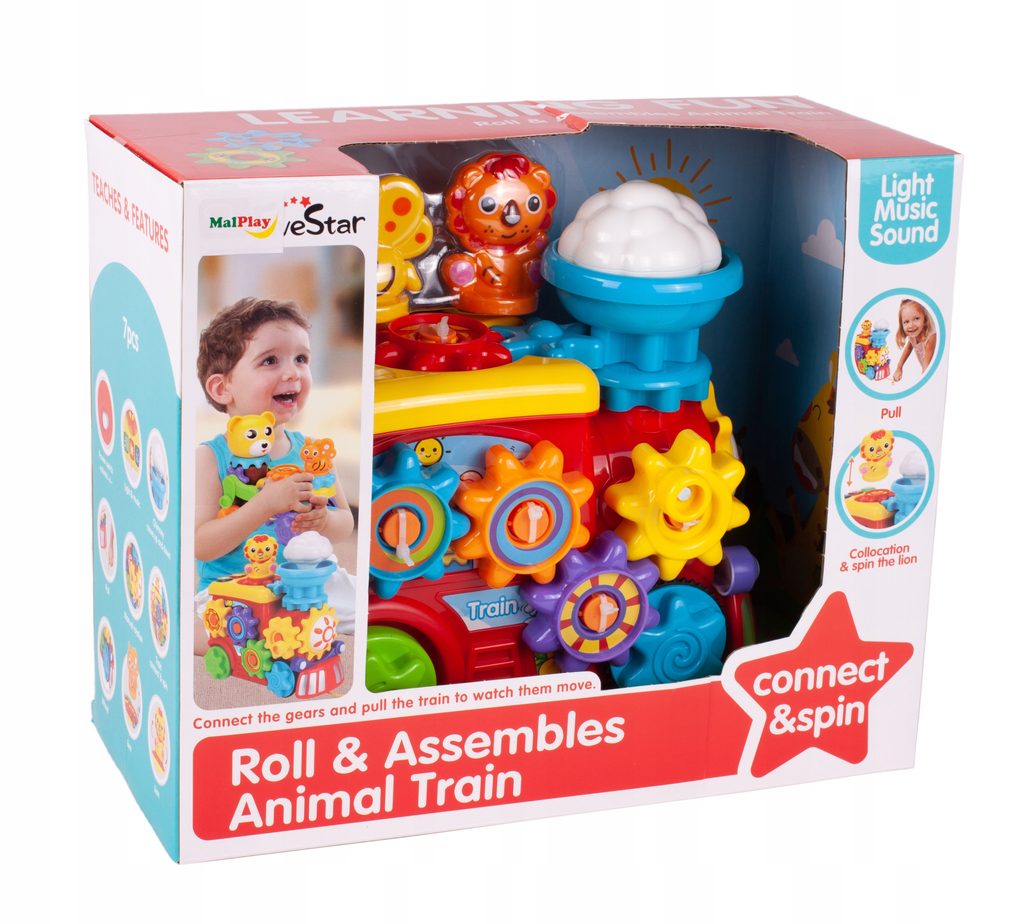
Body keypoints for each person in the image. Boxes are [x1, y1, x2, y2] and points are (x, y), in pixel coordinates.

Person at [194, 297, 354, 588]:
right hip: (233, 590)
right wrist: (265, 504)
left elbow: (345, 522)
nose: (293, 372)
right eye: (270, 360)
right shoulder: (209, 457)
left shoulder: (312, 451)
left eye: (301, 359)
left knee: (351, 594)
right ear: (222, 388)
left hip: (304, 584)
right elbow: (201, 544)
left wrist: (323, 521)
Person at [892, 298, 936, 383]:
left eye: (916, 318)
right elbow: (908, 348)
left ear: (925, 318)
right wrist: (899, 368)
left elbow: (927, 367)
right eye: (906, 321)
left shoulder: (931, 337)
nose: (911, 325)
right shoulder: (913, 335)